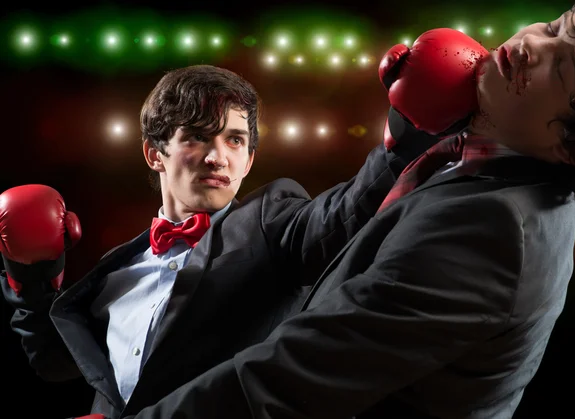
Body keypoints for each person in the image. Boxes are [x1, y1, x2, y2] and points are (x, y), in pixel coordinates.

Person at [97, 2, 575, 419]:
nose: (533, 43)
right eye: (554, 28)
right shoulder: (488, 160)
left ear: (573, 149)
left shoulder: (494, 230)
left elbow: (293, 376)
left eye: (559, 69)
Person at [0, 60, 453, 419]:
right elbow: (57, 363)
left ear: (250, 159)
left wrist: (410, 128)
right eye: (198, 137)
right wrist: (30, 277)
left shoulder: (269, 224)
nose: (218, 156)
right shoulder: (116, 269)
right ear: (155, 154)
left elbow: (344, 213)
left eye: (235, 140)